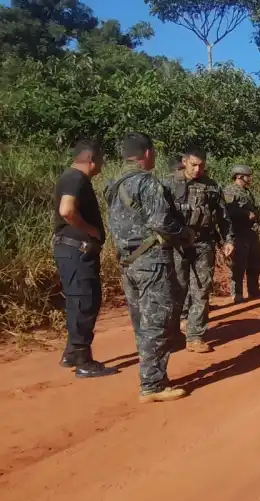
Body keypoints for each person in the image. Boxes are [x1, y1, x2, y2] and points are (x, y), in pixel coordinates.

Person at [106, 132, 189, 403]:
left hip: (127, 261)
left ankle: (150, 375)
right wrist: (183, 233)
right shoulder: (147, 183)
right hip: (151, 260)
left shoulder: (112, 184)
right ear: (146, 154)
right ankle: (152, 384)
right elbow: (161, 222)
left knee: (141, 321)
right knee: (158, 321)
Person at [52, 140, 118, 378]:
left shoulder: (72, 177)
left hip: (73, 251)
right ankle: (83, 361)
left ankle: (72, 353)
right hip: (75, 249)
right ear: (91, 159)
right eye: (100, 160)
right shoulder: (75, 178)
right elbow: (66, 210)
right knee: (84, 301)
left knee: (80, 300)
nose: (101, 165)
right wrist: (91, 231)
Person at [166, 146, 233, 353]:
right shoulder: (168, 184)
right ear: (184, 161)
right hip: (176, 244)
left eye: (201, 165)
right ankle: (173, 331)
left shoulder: (212, 187)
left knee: (202, 289)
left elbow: (222, 216)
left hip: (203, 243)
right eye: (194, 165)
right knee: (177, 289)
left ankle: (196, 335)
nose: (197, 169)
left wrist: (227, 240)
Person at [223, 164, 260, 303]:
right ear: (240, 176)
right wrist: (246, 214)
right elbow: (227, 211)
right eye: (248, 176)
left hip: (251, 232)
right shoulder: (230, 191)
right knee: (239, 264)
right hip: (239, 232)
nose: (250, 179)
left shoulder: (247, 191)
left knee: (255, 262)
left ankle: (253, 289)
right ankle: (237, 294)